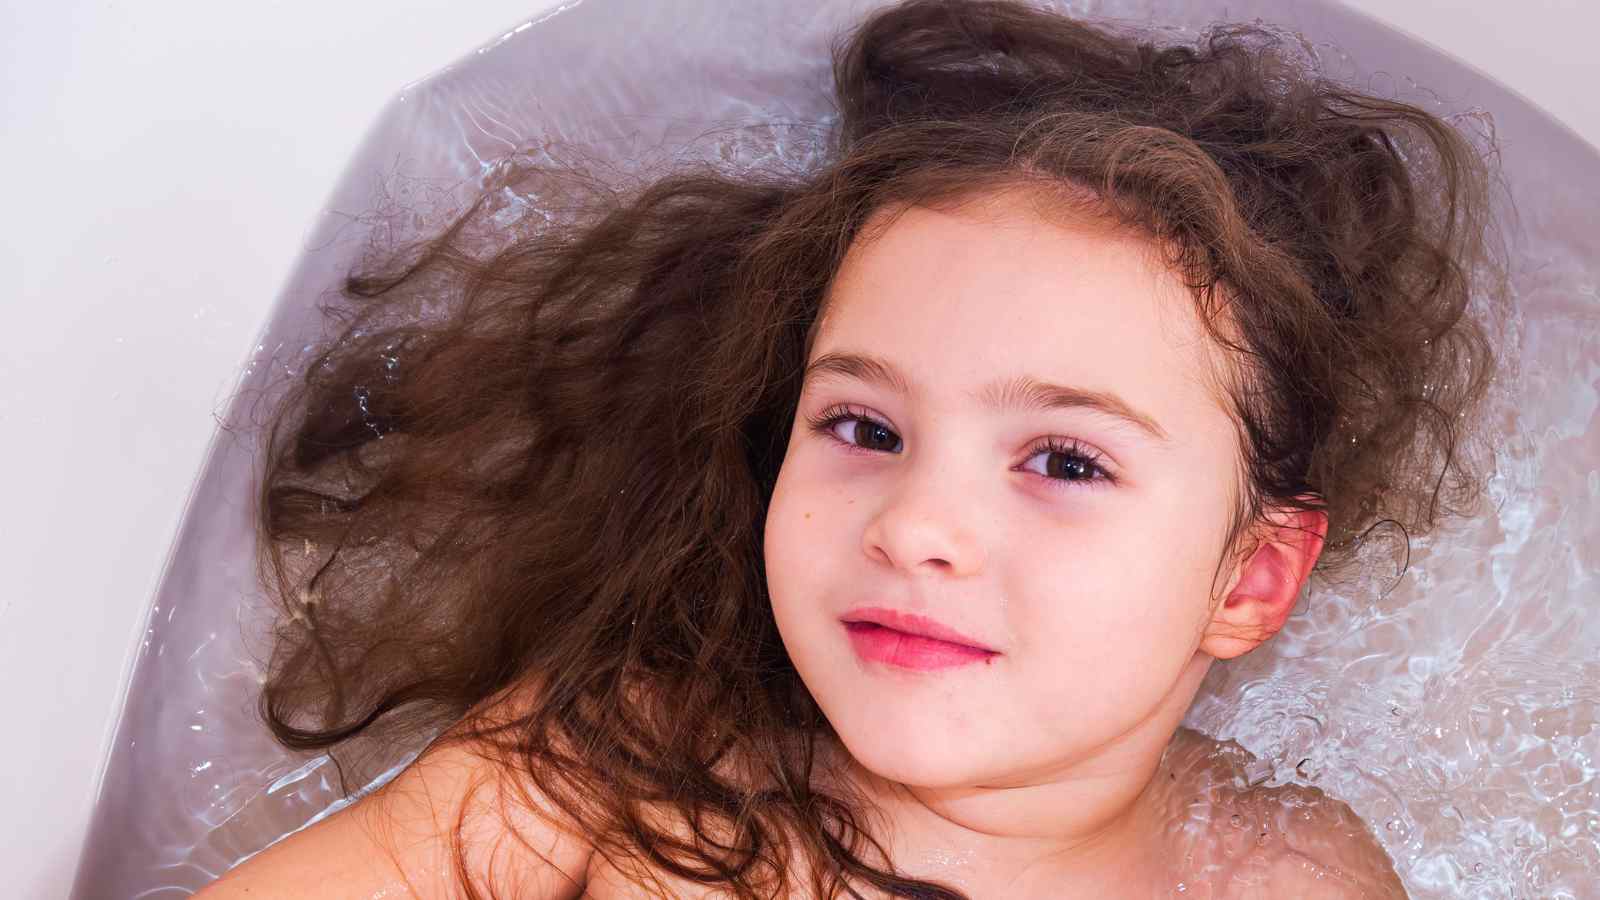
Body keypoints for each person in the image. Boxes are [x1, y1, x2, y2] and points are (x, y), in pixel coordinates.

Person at [194, 0, 1503, 895]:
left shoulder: (1272, 875)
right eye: (866, 428)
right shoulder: (627, 763)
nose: (914, 524)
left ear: (1247, 579)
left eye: (1064, 460)